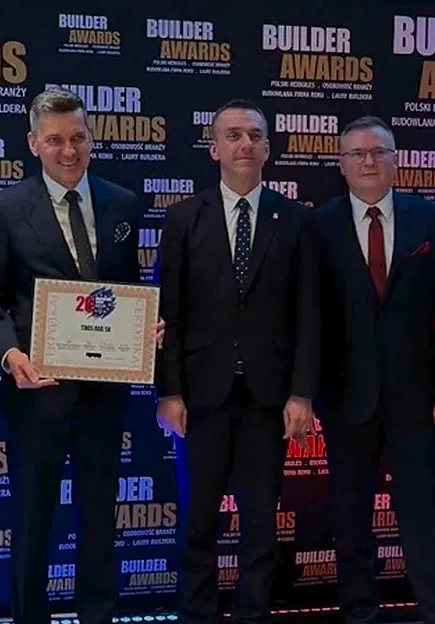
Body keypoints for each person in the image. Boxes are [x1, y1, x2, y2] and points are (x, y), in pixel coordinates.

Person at [0, 87, 161, 624]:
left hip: (104, 394)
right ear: (33, 144)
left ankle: (97, 616)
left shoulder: (123, 203)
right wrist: (10, 355)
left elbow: (127, 289)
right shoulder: (5, 209)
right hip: (36, 394)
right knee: (32, 520)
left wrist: (145, 326)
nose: (68, 150)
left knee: (100, 520)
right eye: (55, 140)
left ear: (91, 138)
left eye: (78, 137)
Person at [156, 98, 319, 624]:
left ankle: (253, 614)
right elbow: (169, 313)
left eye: (254, 135)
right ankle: (196, 613)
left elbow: (308, 315)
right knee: (198, 520)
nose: (245, 144)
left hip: (269, 399)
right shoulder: (184, 218)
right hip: (201, 396)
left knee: (260, 523)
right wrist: (169, 391)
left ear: (268, 148)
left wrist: (301, 393)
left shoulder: (296, 220)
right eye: (233, 135)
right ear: (214, 149)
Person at [310, 115, 435, 624]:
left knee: (424, 512)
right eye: (357, 154)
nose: (368, 161)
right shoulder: (319, 225)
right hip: (344, 396)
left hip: (417, 395)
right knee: (350, 514)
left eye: (378, 152)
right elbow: (309, 316)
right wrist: (304, 392)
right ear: (341, 165)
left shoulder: (432, 220)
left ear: (396, 160)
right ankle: (359, 612)